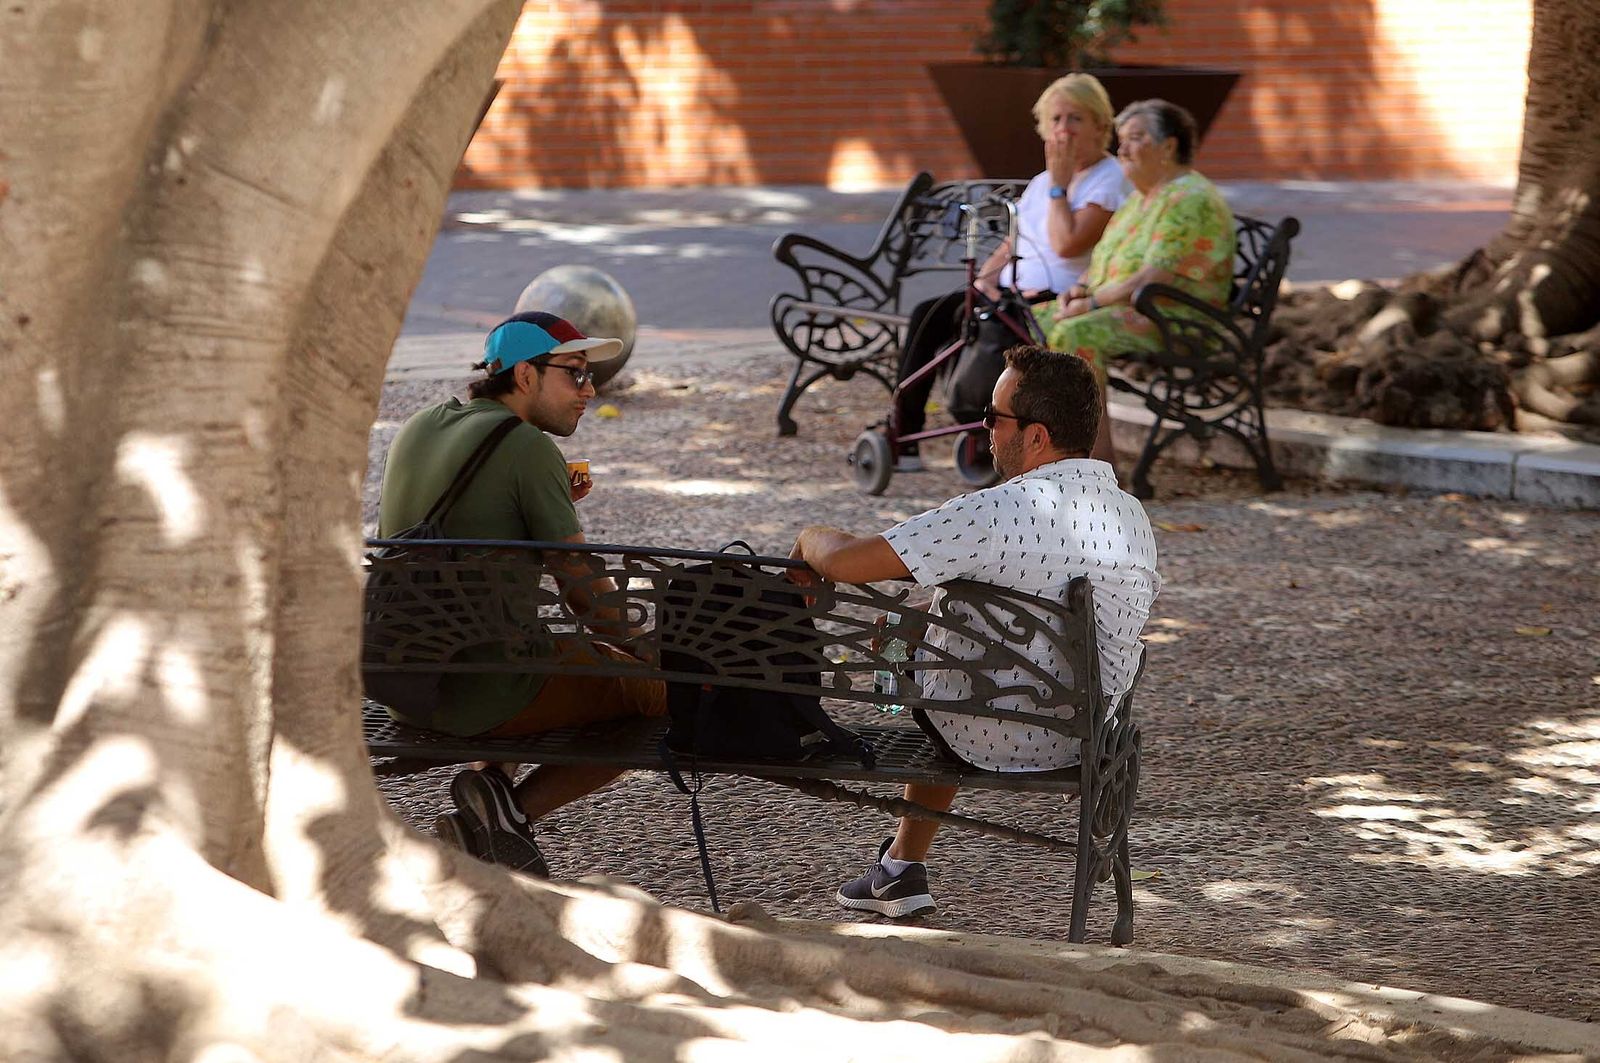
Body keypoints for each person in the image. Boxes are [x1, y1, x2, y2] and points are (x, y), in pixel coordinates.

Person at [788, 345, 1160, 917]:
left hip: (982, 730)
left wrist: (809, 537)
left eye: (993, 417)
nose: (983, 430)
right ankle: (899, 871)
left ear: (1036, 437)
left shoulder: (994, 513)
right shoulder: (1128, 513)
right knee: (960, 642)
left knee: (934, 651)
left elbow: (846, 563)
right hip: (1088, 734)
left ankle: (898, 868)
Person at [376, 310, 666, 876]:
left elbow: (464, 529)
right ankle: (509, 812)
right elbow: (583, 591)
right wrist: (648, 650)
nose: (589, 391)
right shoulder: (526, 448)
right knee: (659, 697)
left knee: (547, 650)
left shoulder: (420, 425)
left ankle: (491, 796)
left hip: (407, 675)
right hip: (481, 691)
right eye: (574, 374)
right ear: (525, 376)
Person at [893, 73, 1130, 471]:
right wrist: (984, 280)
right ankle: (902, 434)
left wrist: (1059, 187)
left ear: (1100, 126)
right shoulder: (1041, 182)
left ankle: (986, 435)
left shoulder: (1108, 180)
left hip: (1052, 298)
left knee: (994, 331)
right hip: (1009, 291)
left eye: (1075, 119)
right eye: (1055, 120)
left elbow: (1066, 243)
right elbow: (1014, 240)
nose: (1063, 130)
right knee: (929, 313)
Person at [1037, 98, 1237, 465]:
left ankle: (1095, 467)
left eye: (1135, 138)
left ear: (1168, 146)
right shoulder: (1141, 199)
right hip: (1132, 310)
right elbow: (1103, 261)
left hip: (1175, 319)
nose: (1122, 149)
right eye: (1122, 139)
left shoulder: (1188, 199)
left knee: (1075, 333)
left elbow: (1152, 278)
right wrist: (1080, 288)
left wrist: (1092, 304)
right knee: (1026, 321)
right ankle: (1046, 451)